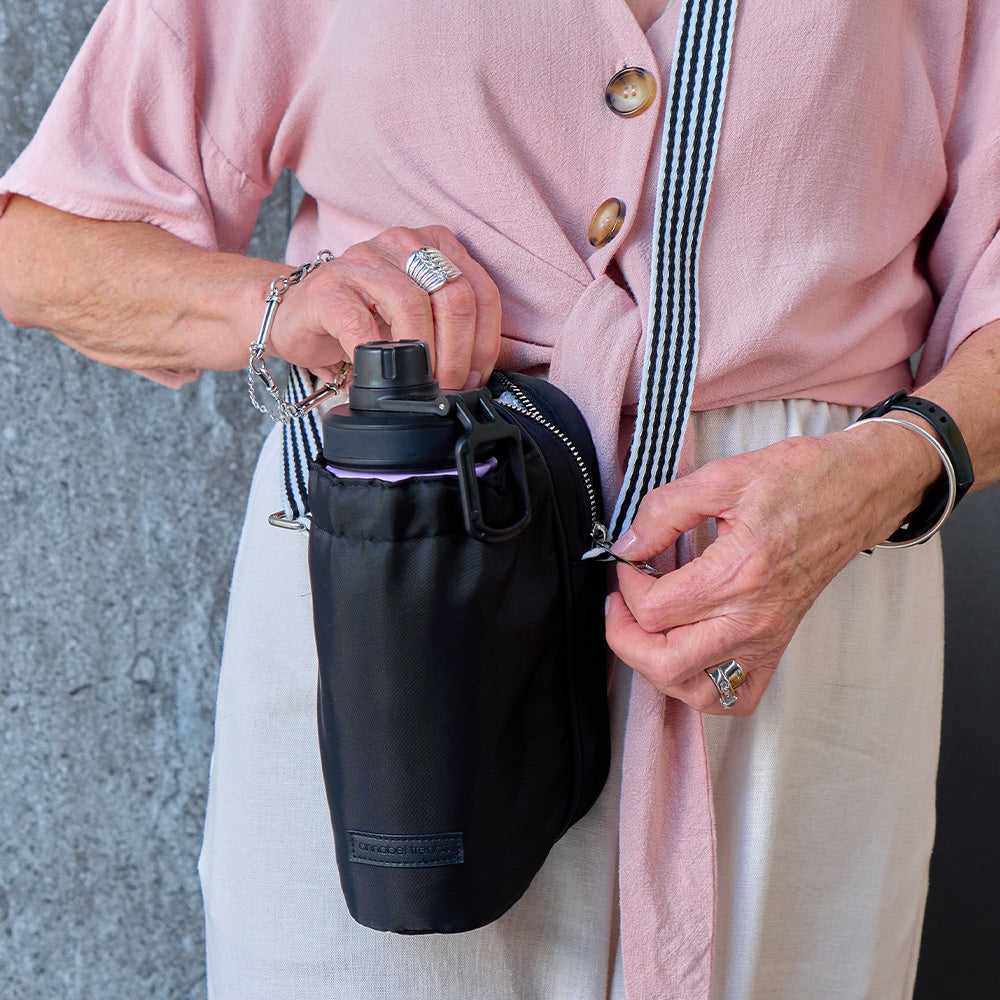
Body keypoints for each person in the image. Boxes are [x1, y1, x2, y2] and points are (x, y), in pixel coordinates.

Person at [1, 0, 998, 997]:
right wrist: (288, 305)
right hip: (392, 629)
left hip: (798, 592)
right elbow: (41, 246)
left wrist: (886, 472)